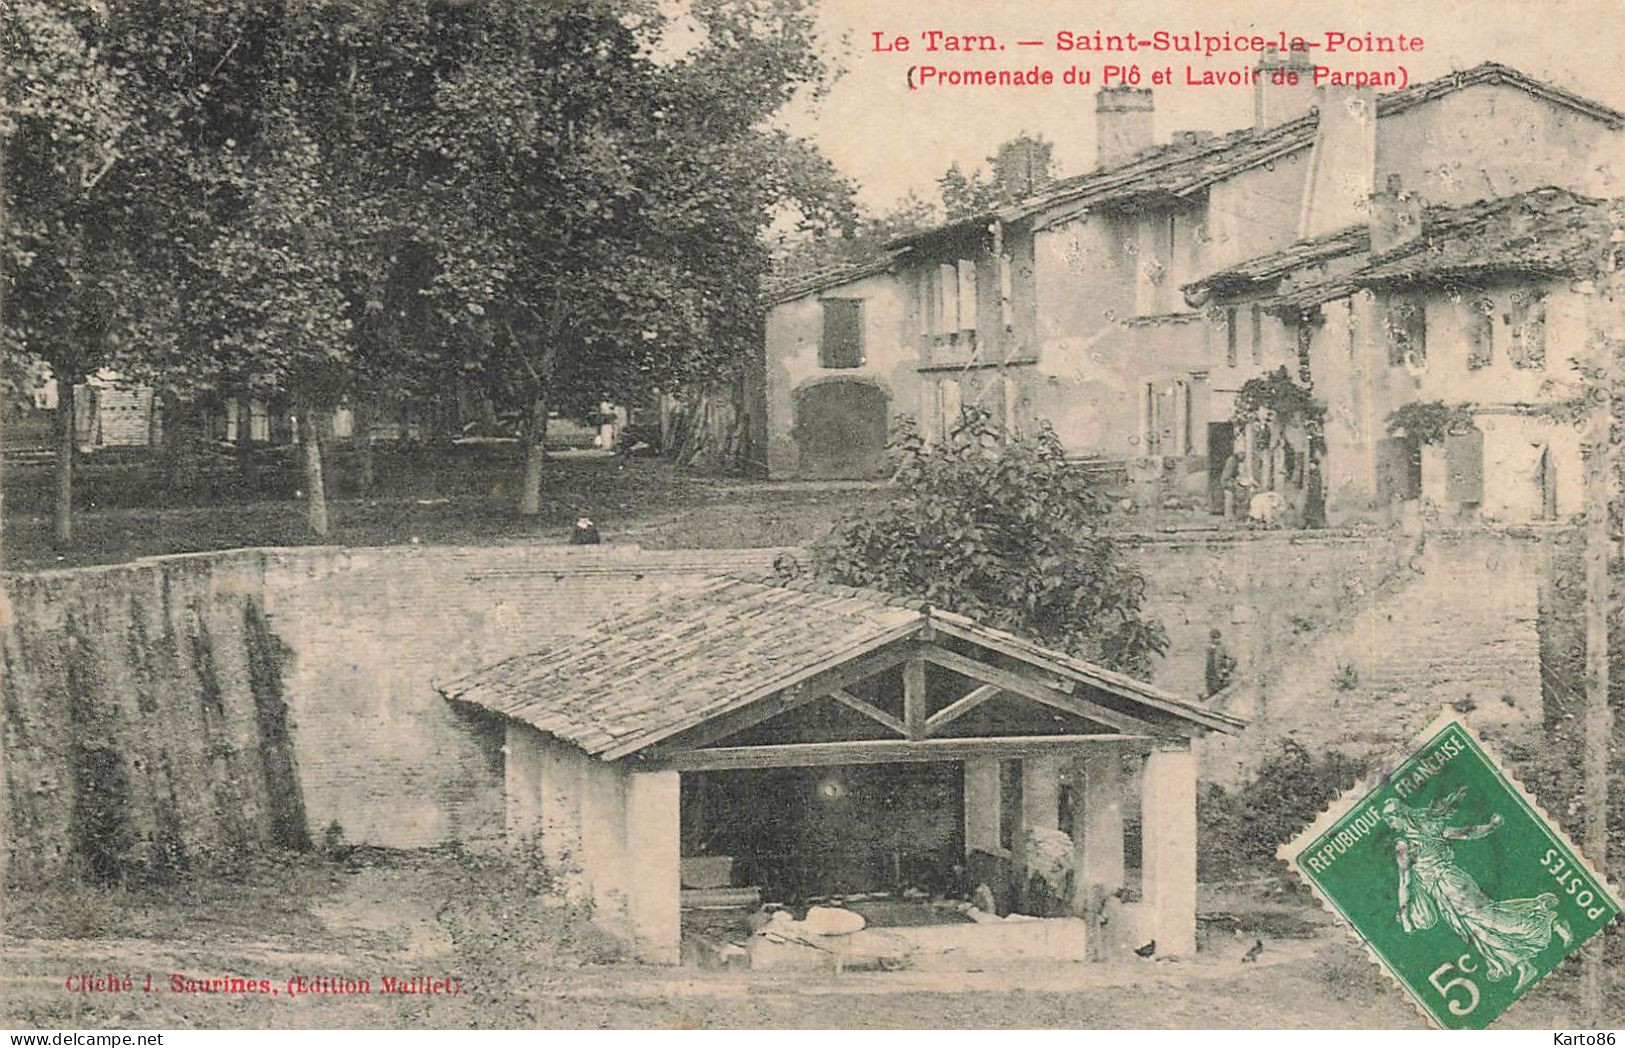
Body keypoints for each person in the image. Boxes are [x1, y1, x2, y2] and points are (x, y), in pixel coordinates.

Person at [1383, 792, 1571, 990]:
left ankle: (1551, 921)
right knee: (1476, 932)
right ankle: (1523, 965)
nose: (1389, 824)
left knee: (1488, 919)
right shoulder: (1428, 829)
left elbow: (1405, 882)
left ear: (1401, 816)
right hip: (1446, 889)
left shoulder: (1404, 845)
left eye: (1390, 818)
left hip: (1450, 885)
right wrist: (1490, 827)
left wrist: (1405, 920)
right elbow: (1467, 832)